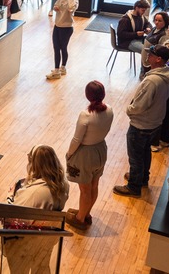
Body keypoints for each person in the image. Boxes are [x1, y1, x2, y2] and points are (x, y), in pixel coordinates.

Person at [113, 45, 169, 197]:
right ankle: (142, 178)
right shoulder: (167, 73)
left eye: (151, 54)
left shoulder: (152, 81)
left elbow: (140, 105)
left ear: (158, 59)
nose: (147, 56)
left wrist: (128, 109)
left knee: (136, 156)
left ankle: (134, 187)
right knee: (145, 152)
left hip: (141, 123)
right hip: (155, 121)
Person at [4, 145, 69, 273]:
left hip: (24, 242)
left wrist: (10, 195)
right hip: (46, 238)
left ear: (36, 165)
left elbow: (14, 215)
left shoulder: (34, 194)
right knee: (42, 266)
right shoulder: (63, 184)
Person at [64, 81, 114, 230]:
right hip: (101, 149)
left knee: (85, 189)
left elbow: (76, 139)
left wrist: (69, 154)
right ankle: (86, 213)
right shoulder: (110, 110)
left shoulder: (86, 115)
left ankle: (80, 219)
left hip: (85, 154)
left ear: (87, 95)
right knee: (94, 185)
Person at [46, 0, 79, 80]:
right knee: (56, 48)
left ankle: (62, 67)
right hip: (57, 25)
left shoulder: (74, 0)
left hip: (67, 28)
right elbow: (56, 4)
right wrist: (56, 7)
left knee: (63, 48)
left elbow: (71, 8)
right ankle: (57, 70)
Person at [140, 11, 169, 78]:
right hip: (145, 60)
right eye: (155, 20)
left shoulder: (164, 35)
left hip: (152, 64)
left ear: (165, 22)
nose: (156, 22)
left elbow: (162, 52)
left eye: (160, 21)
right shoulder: (154, 28)